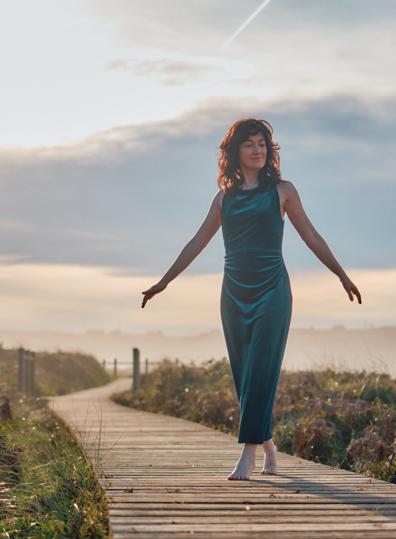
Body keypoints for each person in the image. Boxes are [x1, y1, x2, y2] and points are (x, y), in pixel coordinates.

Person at [141, 118, 362, 481]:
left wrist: (341, 273)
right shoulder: (224, 197)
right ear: (236, 152)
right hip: (234, 292)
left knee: (262, 368)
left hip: (273, 291)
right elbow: (196, 242)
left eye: (262, 144)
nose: (258, 150)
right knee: (244, 377)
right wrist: (164, 282)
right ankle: (270, 446)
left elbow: (312, 236)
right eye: (250, 144)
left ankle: (248, 453)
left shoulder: (283, 191)